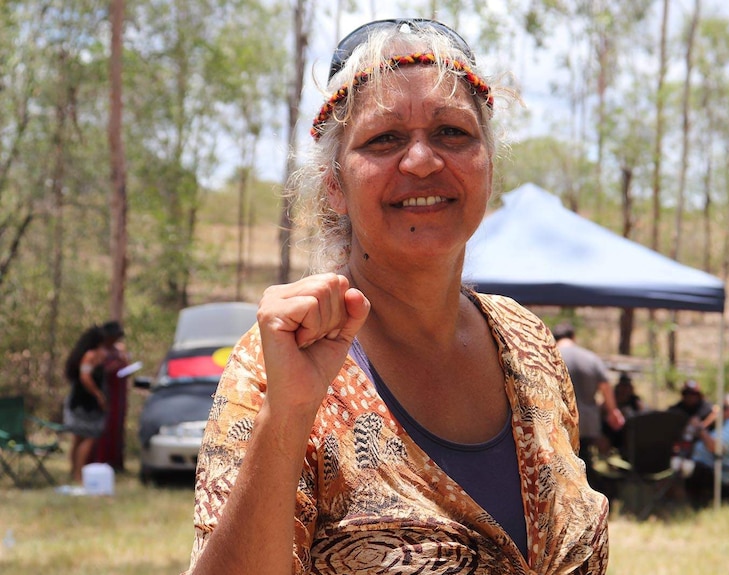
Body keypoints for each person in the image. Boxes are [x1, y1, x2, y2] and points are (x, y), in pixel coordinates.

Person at [185, 19, 608, 575]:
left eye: (453, 133)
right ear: (334, 183)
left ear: (486, 166)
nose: (422, 161)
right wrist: (288, 414)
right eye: (384, 139)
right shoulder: (278, 362)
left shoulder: (529, 344)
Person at [552, 320, 625, 487]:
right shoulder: (591, 358)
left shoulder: (549, 357)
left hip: (560, 422)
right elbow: (605, 388)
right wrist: (613, 412)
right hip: (588, 422)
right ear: (573, 337)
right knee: (584, 460)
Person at [684, 393, 729, 506]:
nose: (721, 411)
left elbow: (714, 447)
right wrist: (709, 420)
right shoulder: (727, 424)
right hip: (711, 468)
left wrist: (700, 429)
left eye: (725, 408)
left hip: (722, 475)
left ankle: (685, 504)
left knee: (682, 467)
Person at [62, 325, 108, 485]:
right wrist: (98, 395)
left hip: (81, 402)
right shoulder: (90, 355)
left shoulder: (90, 354)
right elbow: (85, 377)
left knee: (78, 438)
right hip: (84, 403)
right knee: (89, 437)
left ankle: (74, 470)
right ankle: (78, 475)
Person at [88, 320, 130, 472]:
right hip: (107, 391)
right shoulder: (99, 351)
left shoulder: (119, 349)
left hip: (119, 393)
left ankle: (116, 461)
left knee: (117, 427)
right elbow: (96, 372)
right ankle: (101, 460)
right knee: (104, 427)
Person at [601, 372, 645, 451]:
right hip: (612, 433)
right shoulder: (612, 400)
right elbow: (602, 412)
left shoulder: (635, 401)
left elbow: (643, 415)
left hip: (630, 434)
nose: (624, 390)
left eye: (627, 387)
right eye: (623, 386)